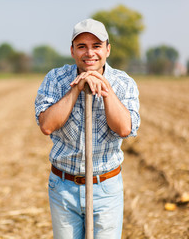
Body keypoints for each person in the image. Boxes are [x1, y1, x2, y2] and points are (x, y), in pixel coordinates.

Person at [34, 18, 140, 239]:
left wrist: (106, 89)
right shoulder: (55, 78)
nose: (89, 53)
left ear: (108, 50)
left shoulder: (123, 83)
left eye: (96, 46)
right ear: (72, 51)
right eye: (82, 46)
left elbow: (124, 128)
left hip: (106, 187)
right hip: (63, 186)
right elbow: (47, 125)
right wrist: (76, 89)